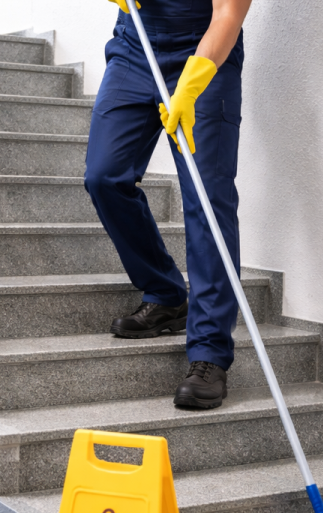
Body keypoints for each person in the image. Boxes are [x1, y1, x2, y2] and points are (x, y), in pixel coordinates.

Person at [85, 0, 252, 409]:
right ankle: (165, 292)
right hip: (135, 48)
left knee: (206, 198)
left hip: (204, 52)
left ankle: (209, 353)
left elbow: (228, 15)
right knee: (104, 176)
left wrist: (194, 82)